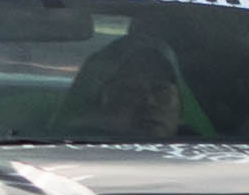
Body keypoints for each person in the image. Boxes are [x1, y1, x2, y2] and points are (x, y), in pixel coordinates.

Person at [59, 34, 190, 142]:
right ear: (100, 103)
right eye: (131, 91)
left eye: (162, 92)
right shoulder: (69, 150)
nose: (149, 102)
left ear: (180, 108)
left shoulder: (204, 154)